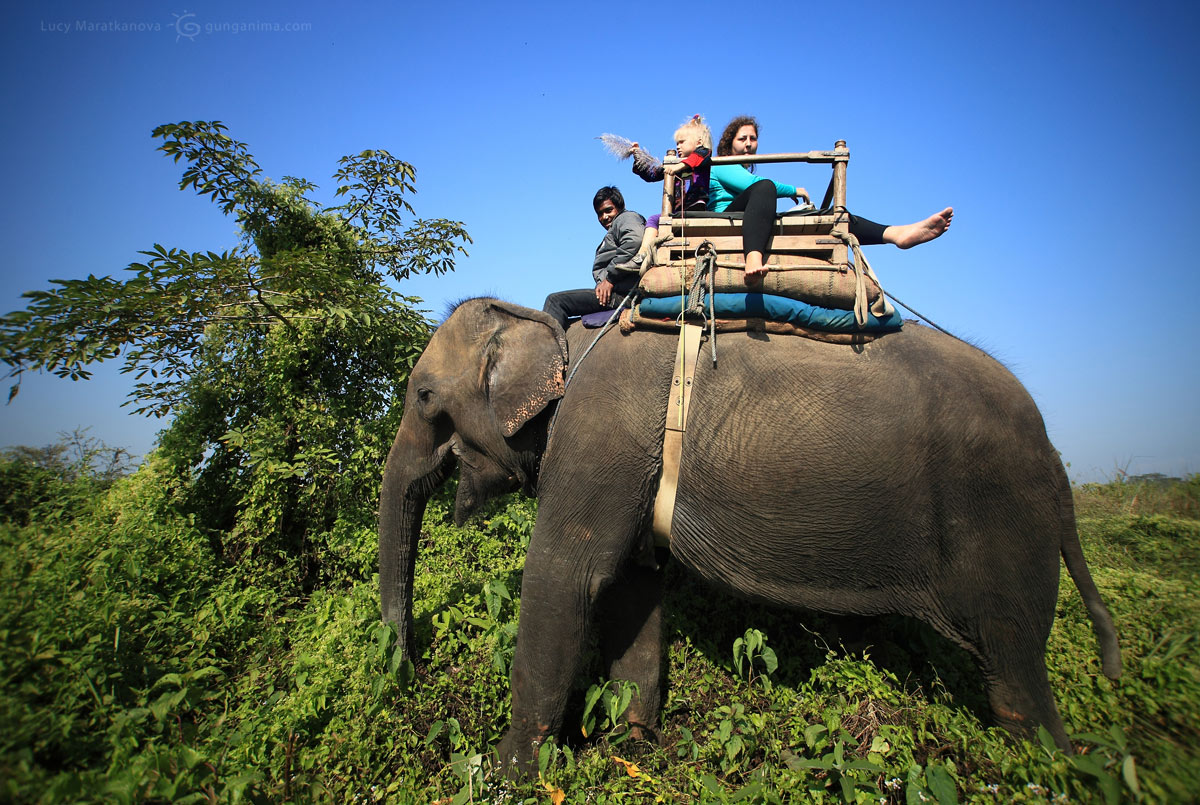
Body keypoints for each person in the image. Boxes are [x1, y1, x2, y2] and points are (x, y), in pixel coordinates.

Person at [712, 115, 954, 278]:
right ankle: (753, 259)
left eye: (753, 139)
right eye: (742, 138)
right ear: (729, 142)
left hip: (751, 218)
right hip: (727, 217)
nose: (748, 144)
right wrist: (795, 190)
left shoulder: (739, 167)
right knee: (765, 187)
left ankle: (896, 234)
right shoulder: (723, 163)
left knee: (832, 215)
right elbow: (754, 184)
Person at [615, 114, 714, 272]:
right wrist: (637, 156)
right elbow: (652, 174)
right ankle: (641, 255)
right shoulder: (674, 165)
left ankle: (642, 255)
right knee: (656, 219)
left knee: (655, 219)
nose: (678, 147)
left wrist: (677, 167)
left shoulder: (702, 158)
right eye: (676, 143)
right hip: (678, 213)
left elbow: (700, 155)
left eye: (682, 142)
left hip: (696, 208)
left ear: (699, 142)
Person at [542, 186, 646, 331]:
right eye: (599, 213)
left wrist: (610, 279)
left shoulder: (626, 217)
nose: (604, 217)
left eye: (608, 210)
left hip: (622, 294)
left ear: (620, 207)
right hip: (617, 291)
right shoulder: (615, 228)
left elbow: (634, 240)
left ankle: (548, 353)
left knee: (555, 302)